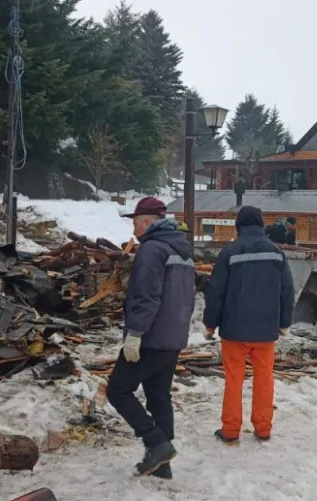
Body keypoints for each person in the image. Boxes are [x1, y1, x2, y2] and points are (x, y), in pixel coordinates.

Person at [105, 197, 196, 479]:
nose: (134, 231)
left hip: (151, 337)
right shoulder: (183, 251)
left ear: (147, 221)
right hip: (174, 336)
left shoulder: (152, 250)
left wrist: (134, 334)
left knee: (118, 390)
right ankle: (163, 464)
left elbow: (147, 296)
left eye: (135, 224)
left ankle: (156, 442)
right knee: (158, 395)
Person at [203, 205, 294, 444]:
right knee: (264, 380)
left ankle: (231, 430)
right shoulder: (276, 253)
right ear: (262, 226)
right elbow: (287, 290)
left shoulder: (229, 252)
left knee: (234, 381)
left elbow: (216, 291)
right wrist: (284, 322)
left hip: (234, 331)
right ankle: (263, 428)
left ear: (238, 227)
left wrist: (210, 324)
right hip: (266, 331)